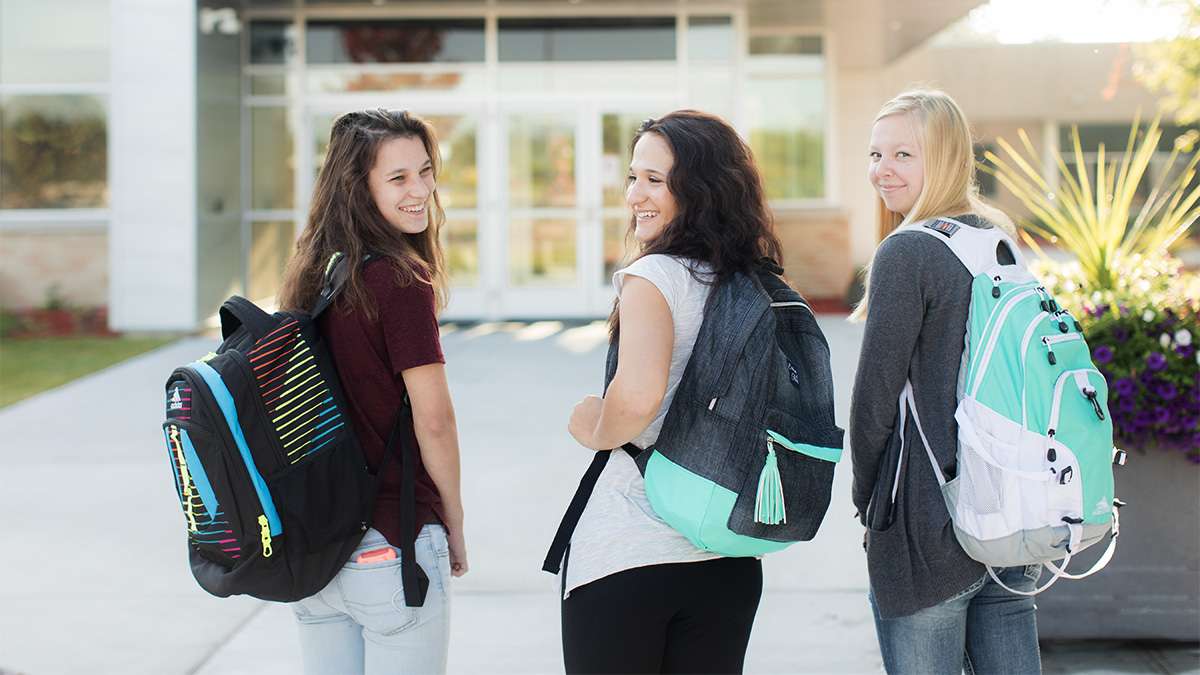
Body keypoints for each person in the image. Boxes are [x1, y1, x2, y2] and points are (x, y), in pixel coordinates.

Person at [561, 110, 783, 674]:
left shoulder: (655, 277)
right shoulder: (755, 283)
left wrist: (592, 425)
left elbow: (635, 402)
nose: (636, 194)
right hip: (729, 554)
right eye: (633, 177)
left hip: (630, 553)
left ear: (701, 191)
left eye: (655, 181)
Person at [849, 89, 1041, 674]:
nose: (883, 170)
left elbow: (874, 400)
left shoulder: (908, 252)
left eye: (904, 154)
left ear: (947, 157)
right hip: (1009, 512)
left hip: (926, 522)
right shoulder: (997, 238)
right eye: (876, 154)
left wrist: (868, 498)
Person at [276, 108, 467, 675]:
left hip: (318, 551)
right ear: (359, 188)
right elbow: (434, 420)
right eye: (399, 178)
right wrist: (452, 522)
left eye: (425, 172)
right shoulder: (399, 281)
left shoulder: (314, 274)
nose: (421, 191)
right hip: (392, 542)